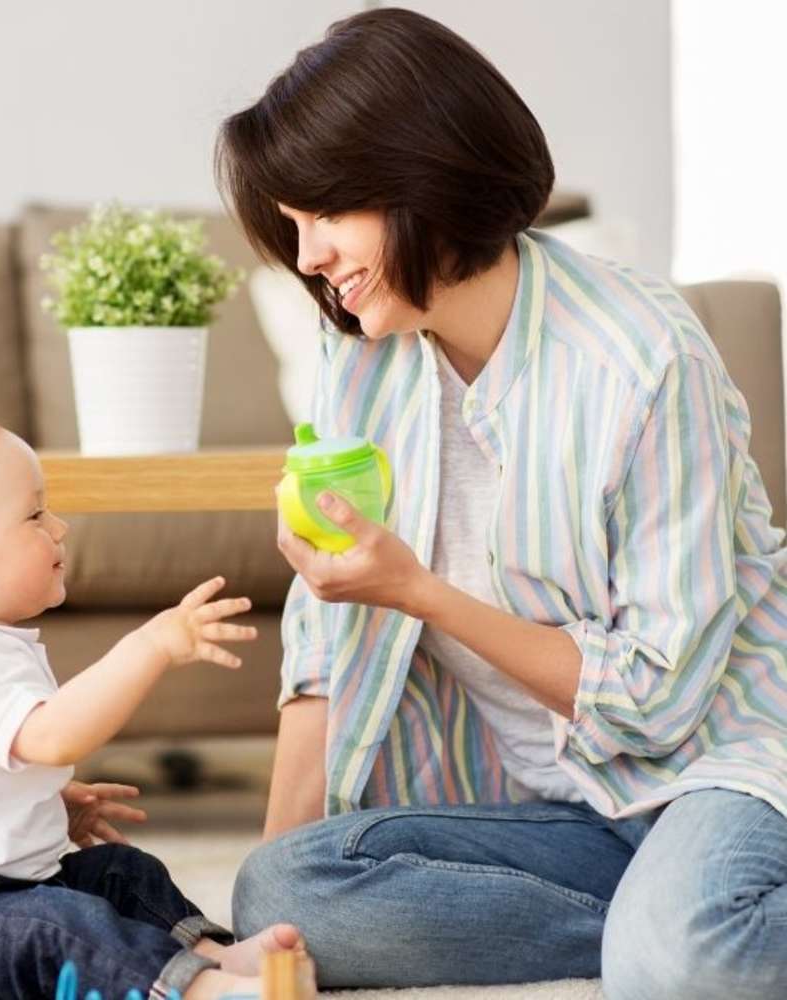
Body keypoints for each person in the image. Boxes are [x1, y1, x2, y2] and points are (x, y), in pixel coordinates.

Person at [215, 7, 787, 998]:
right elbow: (323, 648)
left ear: (419, 175)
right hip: (562, 811)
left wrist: (417, 590)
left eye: (322, 215)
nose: (306, 258)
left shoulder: (643, 357)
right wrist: (261, 928)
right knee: (281, 885)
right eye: (293, 227)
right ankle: (655, 921)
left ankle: (672, 928)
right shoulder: (358, 356)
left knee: (681, 965)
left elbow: (660, 697)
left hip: (720, 761)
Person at [0, 413, 314, 1000]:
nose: (59, 527)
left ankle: (214, 955)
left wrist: (40, 803)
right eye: (35, 515)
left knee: (119, 871)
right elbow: (54, 737)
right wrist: (149, 646)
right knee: (56, 926)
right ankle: (198, 991)